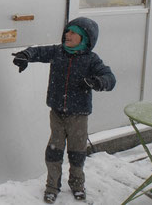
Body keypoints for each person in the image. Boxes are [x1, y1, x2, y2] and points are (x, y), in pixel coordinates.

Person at [12, 17, 116, 203]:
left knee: (77, 152)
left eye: (73, 32)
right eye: (67, 31)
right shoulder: (58, 52)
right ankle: (52, 186)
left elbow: (109, 78)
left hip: (79, 115)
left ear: (85, 37)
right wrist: (25, 55)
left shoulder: (91, 60)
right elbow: (38, 51)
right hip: (57, 113)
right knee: (54, 151)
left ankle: (77, 184)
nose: (67, 35)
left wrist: (98, 82)